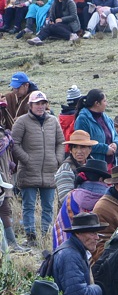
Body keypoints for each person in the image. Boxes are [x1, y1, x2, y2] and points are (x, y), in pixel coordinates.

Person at [11, 91, 63, 246]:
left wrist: (58, 160)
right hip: (28, 172)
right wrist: (27, 160)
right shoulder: (21, 122)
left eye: (43, 103)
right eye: (37, 103)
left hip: (49, 171)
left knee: (48, 207)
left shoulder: (53, 121)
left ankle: (46, 235)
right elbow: (14, 144)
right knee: (29, 206)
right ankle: (31, 236)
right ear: (30, 105)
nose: (40, 107)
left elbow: (61, 142)